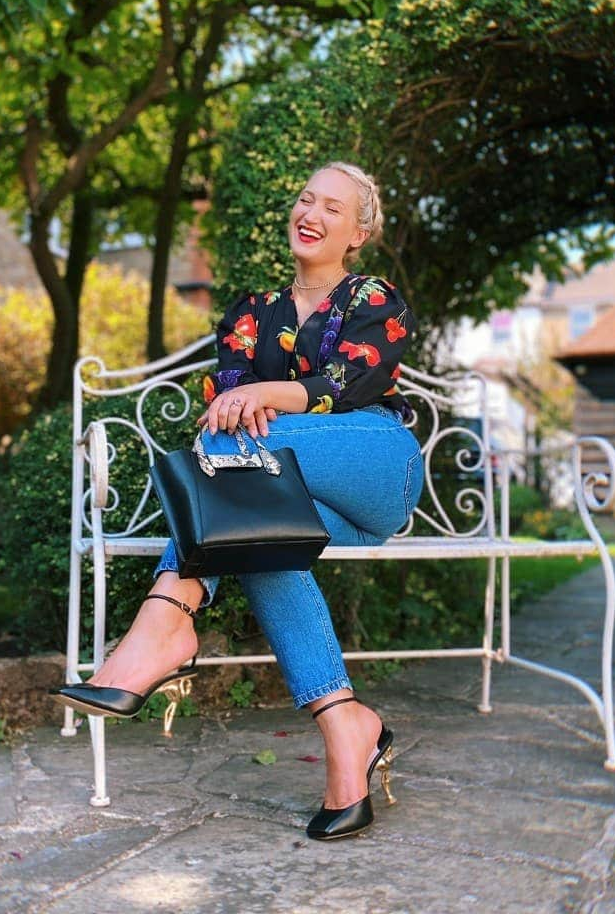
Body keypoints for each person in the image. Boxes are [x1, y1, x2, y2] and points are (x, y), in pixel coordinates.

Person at [54, 162, 424, 840]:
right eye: (305, 198)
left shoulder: (375, 299)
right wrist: (240, 404)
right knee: (253, 531)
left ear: (358, 233)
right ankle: (348, 730)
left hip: (375, 464)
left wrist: (257, 397)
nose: (311, 211)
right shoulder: (249, 316)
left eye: (332, 207)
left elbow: (342, 388)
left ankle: (162, 626)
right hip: (290, 496)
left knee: (236, 461)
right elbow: (229, 409)